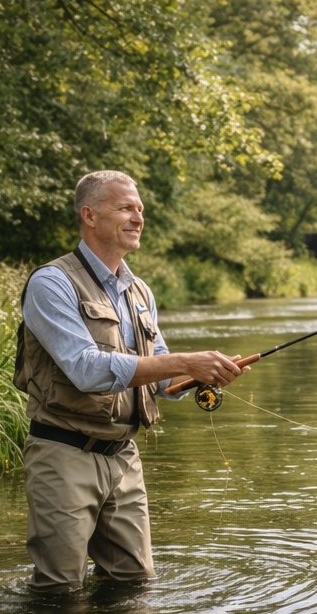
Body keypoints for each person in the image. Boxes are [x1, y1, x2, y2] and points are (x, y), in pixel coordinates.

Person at [14, 169, 247, 592]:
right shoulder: (51, 282)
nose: (138, 217)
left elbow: (157, 375)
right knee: (59, 592)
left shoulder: (140, 291)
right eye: (125, 208)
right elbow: (85, 369)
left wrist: (202, 374)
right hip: (63, 453)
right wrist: (186, 361)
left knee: (135, 584)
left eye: (139, 209)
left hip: (124, 456)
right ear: (89, 215)